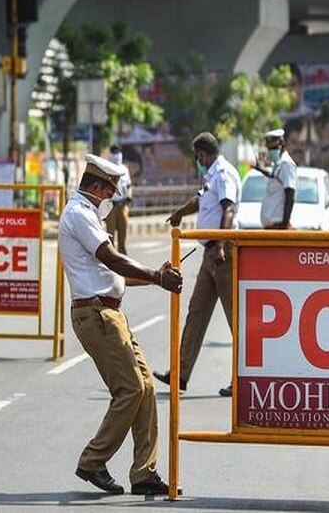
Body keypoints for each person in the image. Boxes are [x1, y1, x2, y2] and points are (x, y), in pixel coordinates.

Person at [58, 154, 183, 496]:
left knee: (144, 388)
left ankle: (144, 472)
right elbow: (111, 259)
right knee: (130, 389)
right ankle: (93, 461)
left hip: (110, 314)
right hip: (97, 316)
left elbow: (113, 273)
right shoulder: (79, 215)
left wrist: (156, 278)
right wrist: (157, 276)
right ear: (97, 187)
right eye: (109, 193)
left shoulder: (89, 216)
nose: (110, 200)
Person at [153, 132, 241, 397]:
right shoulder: (211, 174)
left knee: (235, 318)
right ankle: (180, 373)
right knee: (196, 312)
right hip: (210, 253)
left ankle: (243, 379)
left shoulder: (224, 173)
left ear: (204, 154)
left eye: (198, 157)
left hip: (223, 253)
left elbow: (229, 209)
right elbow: (201, 201)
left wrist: (222, 245)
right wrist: (180, 212)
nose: (198, 161)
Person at [251, 128, 297, 229]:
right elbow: (274, 177)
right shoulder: (279, 164)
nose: (270, 151)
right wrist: (262, 169)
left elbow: (290, 193)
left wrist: (284, 225)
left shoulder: (286, 164)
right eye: (269, 149)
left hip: (278, 227)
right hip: (272, 227)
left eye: (273, 148)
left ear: (282, 144)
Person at [104, 145, 132, 254]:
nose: (116, 155)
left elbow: (129, 185)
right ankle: (111, 260)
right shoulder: (106, 168)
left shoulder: (124, 169)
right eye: (114, 152)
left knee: (123, 234)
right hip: (110, 205)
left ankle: (123, 259)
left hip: (123, 204)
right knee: (110, 236)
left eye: (118, 152)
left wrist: (129, 196)